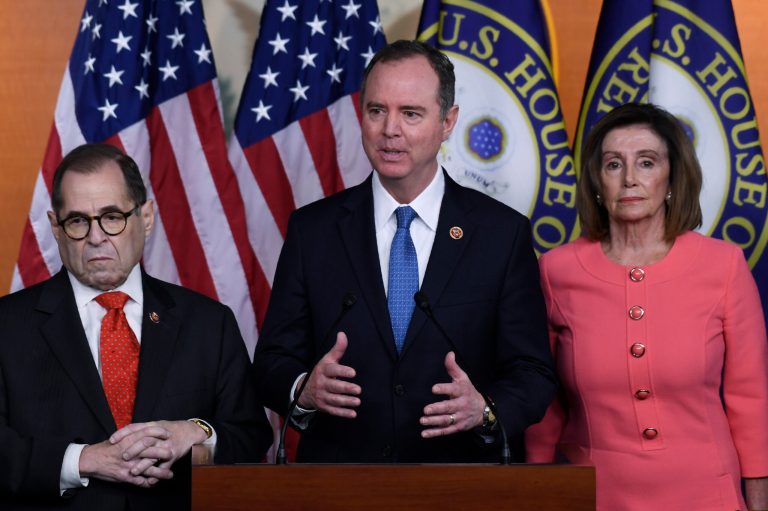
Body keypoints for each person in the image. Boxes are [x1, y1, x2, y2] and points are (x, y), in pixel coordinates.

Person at [252, 40, 555, 463]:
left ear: (448, 122)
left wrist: (485, 410)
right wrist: (303, 390)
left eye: (410, 113)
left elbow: (533, 372)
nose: (389, 129)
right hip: (340, 483)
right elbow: (271, 361)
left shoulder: (501, 234)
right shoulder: (313, 230)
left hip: (461, 482)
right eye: (377, 111)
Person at [0, 143, 273, 511]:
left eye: (112, 216)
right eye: (78, 220)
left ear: (146, 217)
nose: (96, 237)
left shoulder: (209, 323)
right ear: (56, 227)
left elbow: (250, 438)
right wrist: (82, 460)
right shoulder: (8, 326)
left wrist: (198, 435)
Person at [525, 103, 768, 510]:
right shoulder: (556, 270)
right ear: (597, 182)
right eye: (614, 164)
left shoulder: (723, 265)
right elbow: (544, 405)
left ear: (672, 178)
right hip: (595, 495)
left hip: (709, 493)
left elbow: (751, 399)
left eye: (647, 162)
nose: (630, 179)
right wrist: (535, 489)